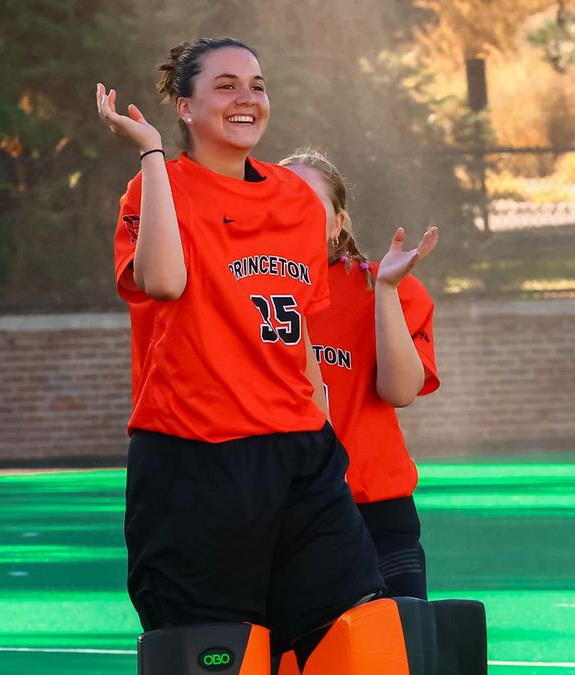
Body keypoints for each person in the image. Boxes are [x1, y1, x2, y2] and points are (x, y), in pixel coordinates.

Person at [96, 38, 391, 665]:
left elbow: (303, 338)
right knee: (213, 649)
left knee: (353, 632)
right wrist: (150, 154)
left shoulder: (294, 200)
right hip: (195, 458)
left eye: (256, 85)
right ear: (184, 106)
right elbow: (164, 283)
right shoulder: (154, 187)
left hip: (299, 455)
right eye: (225, 85)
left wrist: (325, 434)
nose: (247, 98)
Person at [281, 149, 439, 600]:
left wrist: (386, 291)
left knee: (395, 651)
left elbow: (401, 389)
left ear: (339, 223)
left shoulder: (386, 285)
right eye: (282, 199)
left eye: (309, 203)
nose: (294, 212)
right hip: (285, 509)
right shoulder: (244, 290)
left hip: (377, 510)